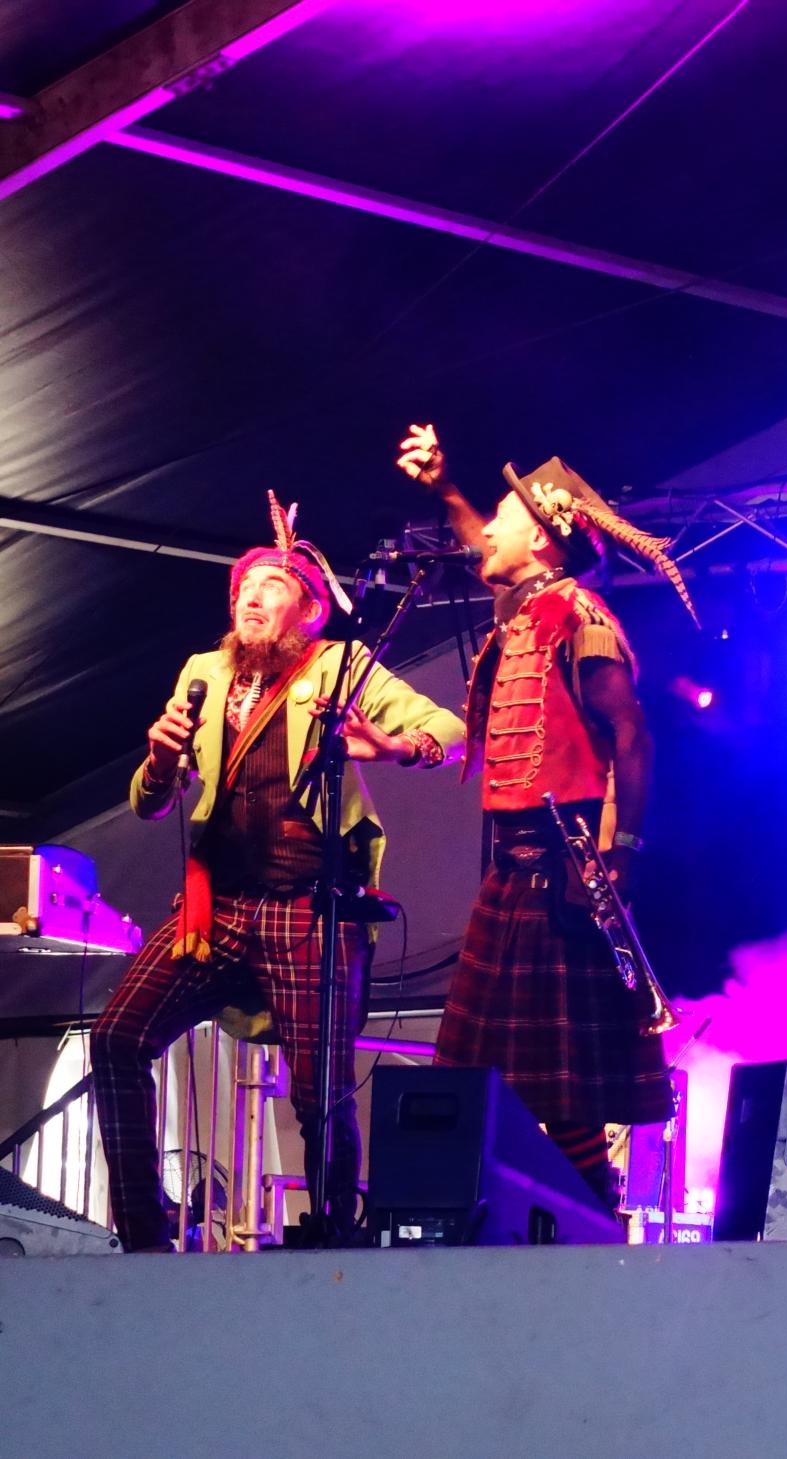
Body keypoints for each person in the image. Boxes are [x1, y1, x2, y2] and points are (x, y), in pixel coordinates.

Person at [90, 496, 465, 1251]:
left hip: (308, 907)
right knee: (116, 1038)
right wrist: (160, 761)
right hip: (217, 907)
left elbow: (449, 731)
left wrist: (393, 747)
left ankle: (333, 1238)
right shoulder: (203, 672)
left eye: (272, 585)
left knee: (320, 1092)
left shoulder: (338, 667)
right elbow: (150, 804)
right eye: (244, 587)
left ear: (310, 609)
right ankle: (143, 1234)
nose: (252, 596)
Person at [396, 423, 698, 1210]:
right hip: (513, 871)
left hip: (562, 870)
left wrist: (621, 853)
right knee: (485, 1074)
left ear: (538, 538)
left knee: (559, 1091)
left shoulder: (580, 618)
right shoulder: (525, 608)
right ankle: (532, 1221)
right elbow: (480, 545)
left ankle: (595, 1220)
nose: (486, 531)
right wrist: (446, 489)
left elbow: (632, 735)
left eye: (502, 517)